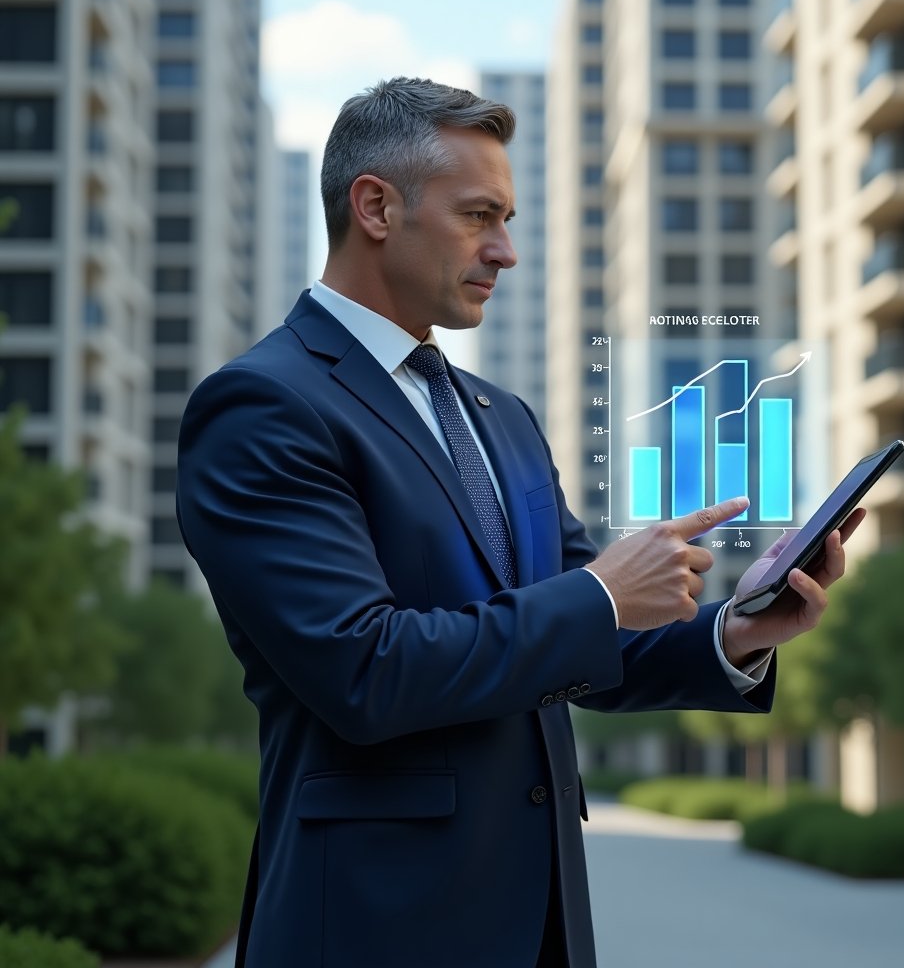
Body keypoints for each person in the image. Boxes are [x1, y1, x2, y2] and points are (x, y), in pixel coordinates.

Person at [176, 77, 863, 968]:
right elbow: (363, 668)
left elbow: (583, 640)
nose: (506, 252)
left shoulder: (500, 415)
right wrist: (601, 595)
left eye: (508, 220)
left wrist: (735, 632)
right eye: (479, 217)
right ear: (376, 207)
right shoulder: (264, 406)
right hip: (371, 926)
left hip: (541, 925)